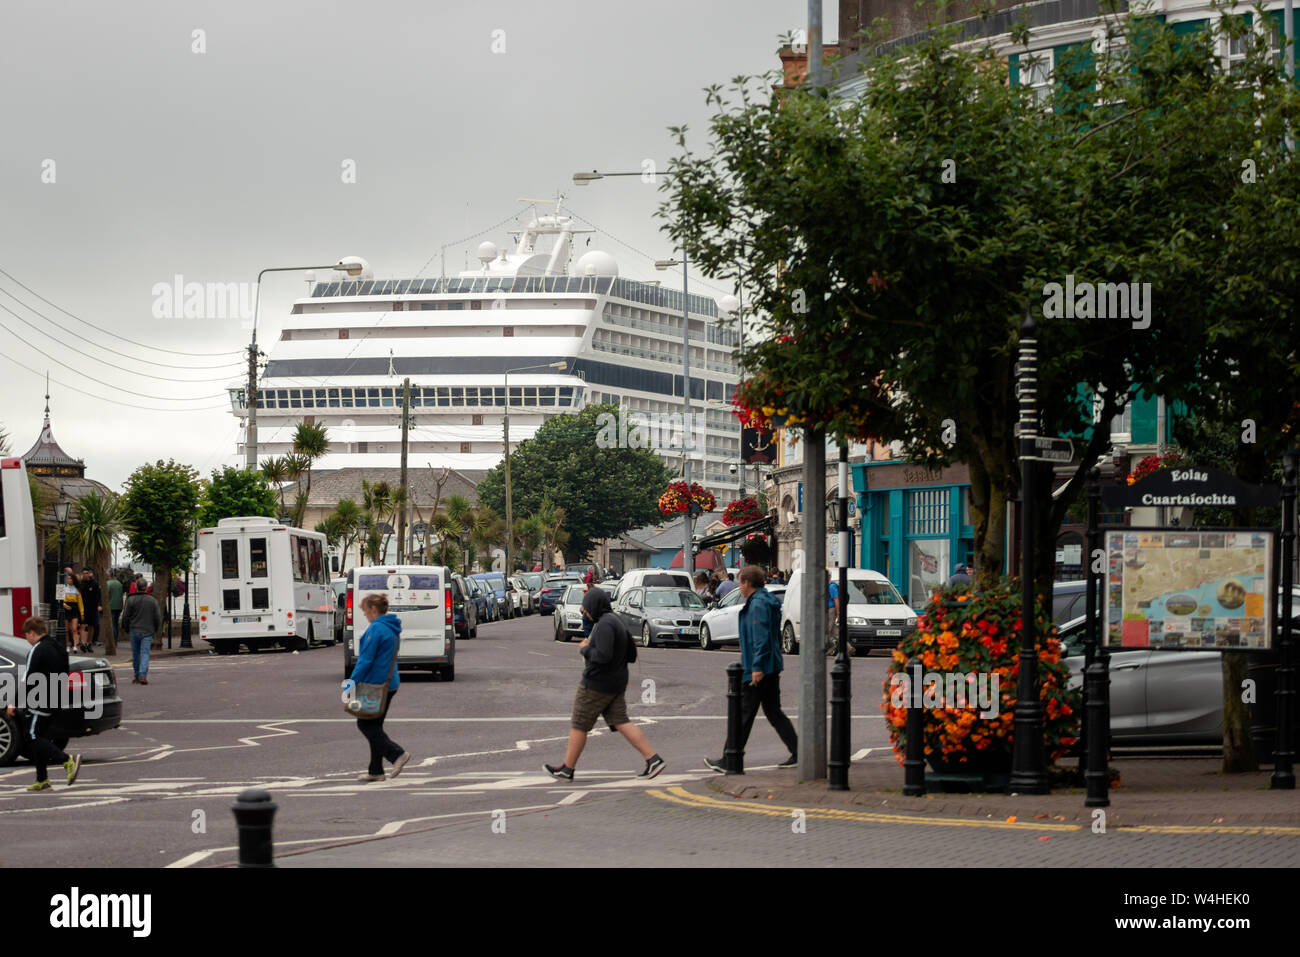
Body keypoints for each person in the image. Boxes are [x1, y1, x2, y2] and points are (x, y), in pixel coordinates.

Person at [545, 588, 664, 781]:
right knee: (621, 721)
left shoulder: (605, 625)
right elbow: (632, 656)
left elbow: (602, 656)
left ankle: (567, 768)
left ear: (594, 605)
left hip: (596, 684)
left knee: (579, 723)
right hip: (616, 682)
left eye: (586, 608)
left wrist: (585, 649)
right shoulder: (616, 621)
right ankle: (653, 759)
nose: (585, 613)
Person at [705, 566, 798, 771]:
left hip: (760, 668)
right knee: (773, 712)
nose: (739, 587)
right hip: (770, 666)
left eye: (740, 583)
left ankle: (730, 758)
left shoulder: (758, 605)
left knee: (744, 714)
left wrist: (756, 668)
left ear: (748, 583)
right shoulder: (765, 600)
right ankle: (799, 751)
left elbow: (761, 638)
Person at [6, 617, 81, 792]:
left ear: (32, 633)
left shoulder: (38, 649)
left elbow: (29, 677)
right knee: (41, 736)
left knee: (32, 736)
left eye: (27, 636)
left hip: (40, 699)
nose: (27, 640)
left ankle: (66, 760)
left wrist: (14, 702)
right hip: (57, 698)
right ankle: (42, 780)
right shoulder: (59, 647)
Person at [348, 593, 411, 782]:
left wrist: (350, 683)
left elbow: (365, 661)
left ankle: (397, 754)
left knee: (365, 724)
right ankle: (375, 770)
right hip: (390, 682)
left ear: (373, 610)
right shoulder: (391, 627)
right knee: (375, 725)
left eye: (366, 611)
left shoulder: (376, 629)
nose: (365, 615)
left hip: (375, 684)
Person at [119, 577, 161, 685]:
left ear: (136, 587)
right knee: (145, 653)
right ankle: (142, 675)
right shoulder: (152, 600)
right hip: (148, 630)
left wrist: (125, 627)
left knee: (136, 654)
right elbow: (157, 617)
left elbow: (126, 616)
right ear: (146, 587)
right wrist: (155, 628)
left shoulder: (130, 599)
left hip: (134, 629)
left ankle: (137, 675)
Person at [59, 570, 83, 655]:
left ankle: (75, 646)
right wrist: (64, 605)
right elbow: (59, 600)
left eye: (71, 579)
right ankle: (67, 646)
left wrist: (82, 613)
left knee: (74, 629)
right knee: (66, 630)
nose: (69, 580)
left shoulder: (77, 589)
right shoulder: (62, 588)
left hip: (74, 608)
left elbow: (80, 602)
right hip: (66, 608)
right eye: (68, 579)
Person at [79, 568, 102, 651]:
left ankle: (89, 643)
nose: (85, 575)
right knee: (82, 625)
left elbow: (98, 596)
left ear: (90, 574)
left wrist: (99, 605)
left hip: (92, 608)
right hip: (82, 608)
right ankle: (83, 643)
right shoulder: (81, 584)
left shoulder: (95, 583)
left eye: (86, 573)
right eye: (83, 573)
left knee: (91, 626)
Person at [824, 569, 841, 656]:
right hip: (828, 610)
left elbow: (836, 600)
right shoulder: (827, 586)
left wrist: (838, 613)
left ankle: (831, 646)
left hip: (831, 610)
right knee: (835, 632)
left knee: (827, 630)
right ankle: (849, 648)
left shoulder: (831, 586)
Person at [106, 572, 123, 645]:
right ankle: (115, 640)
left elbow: (106, 595)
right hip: (118, 606)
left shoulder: (108, 583)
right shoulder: (119, 583)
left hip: (110, 606)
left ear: (108, 575)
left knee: (112, 624)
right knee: (115, 623)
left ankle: (112, 641)